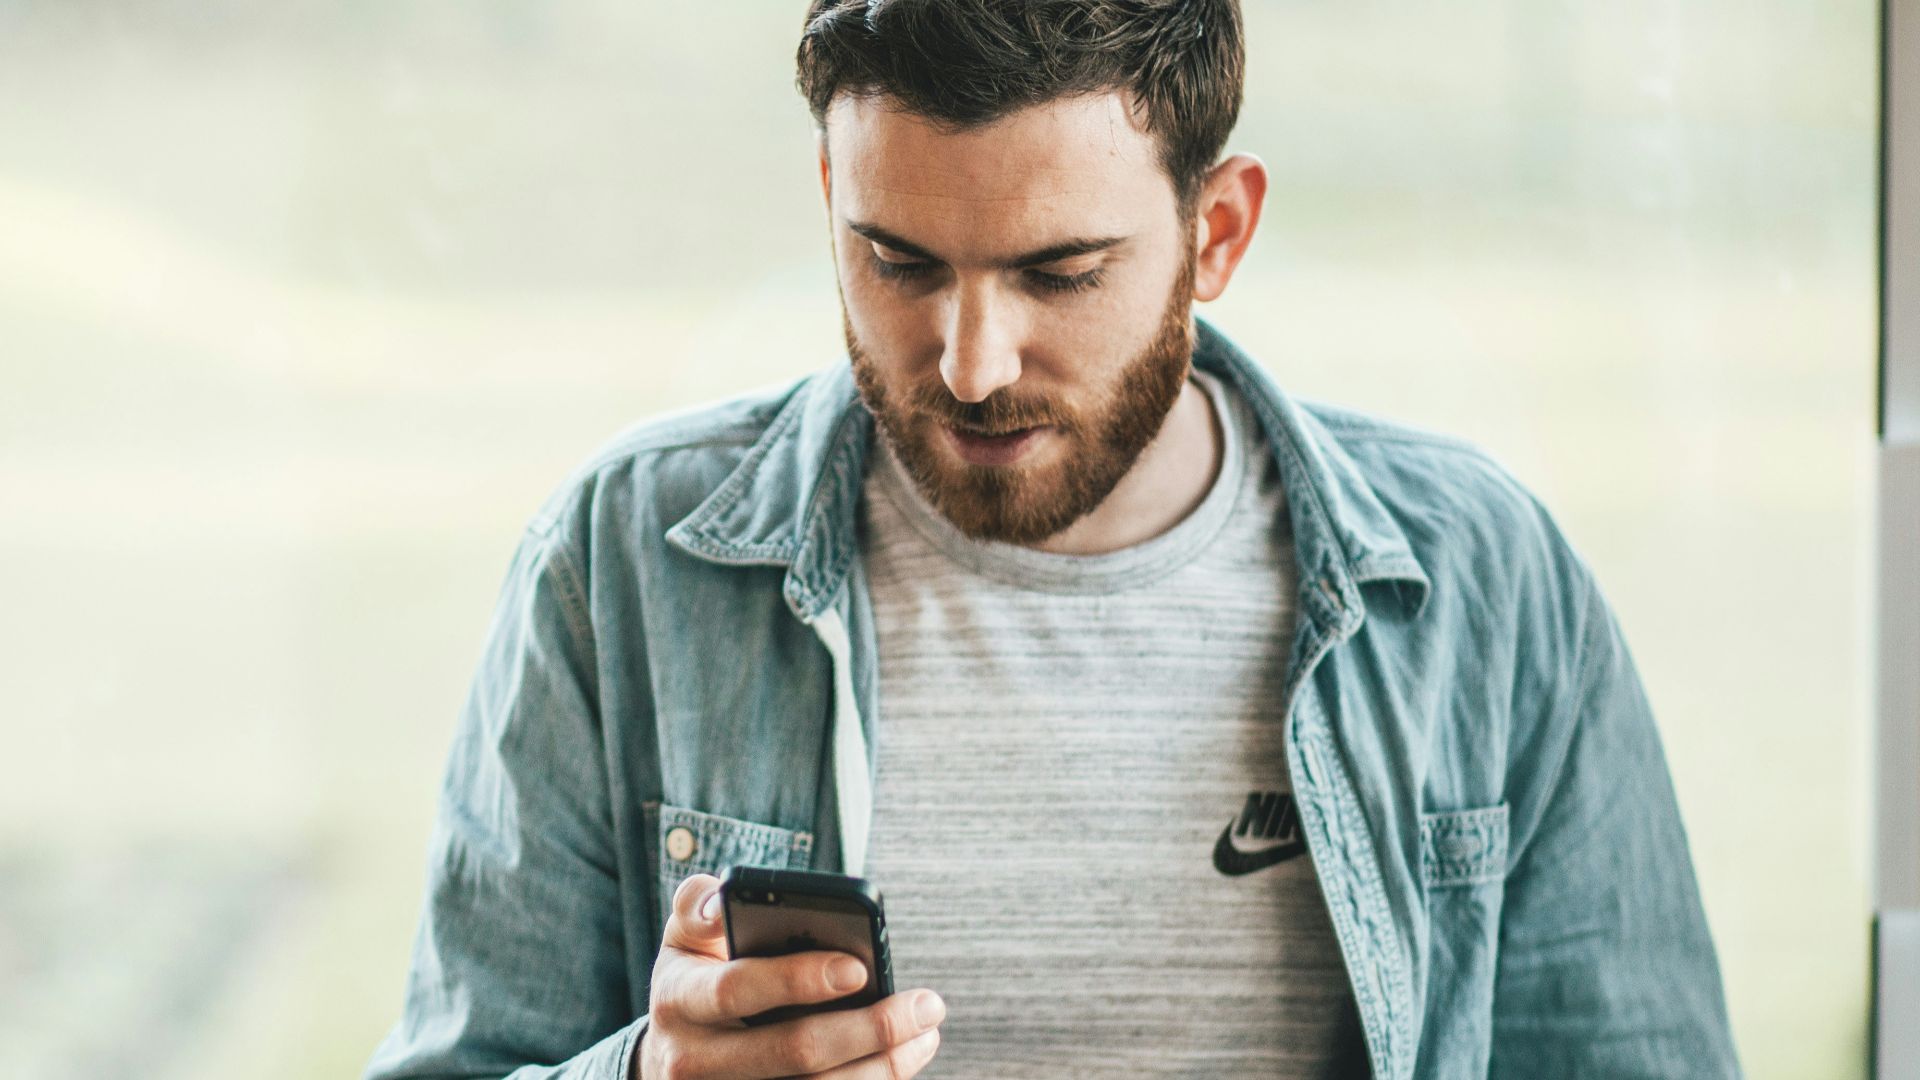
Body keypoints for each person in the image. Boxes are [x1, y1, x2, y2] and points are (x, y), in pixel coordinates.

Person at [364, 2, 1744, 1078]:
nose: (969, 363)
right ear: (827, 193)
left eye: (1058, 273)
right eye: (897, 260)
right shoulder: (624, 564)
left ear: (1218, 231)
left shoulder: (1484, 589)